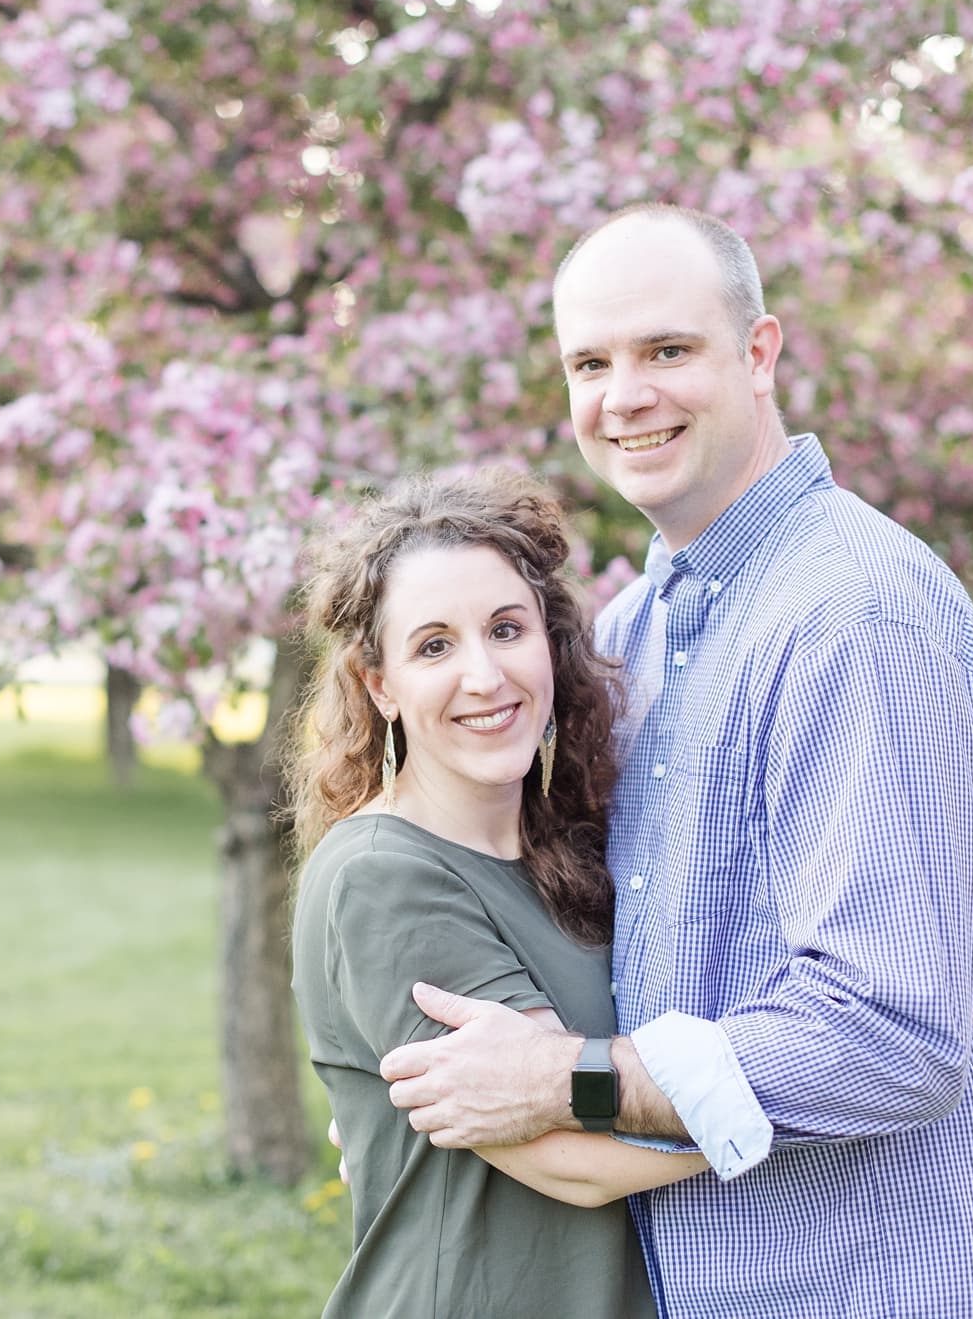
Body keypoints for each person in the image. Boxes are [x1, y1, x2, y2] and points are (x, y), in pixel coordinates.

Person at [376, 204, 973, 1318]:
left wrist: (560, 1077)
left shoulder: (853, 615)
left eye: (666, 351)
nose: (623, 395)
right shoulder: (632, 630)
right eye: (589, 362)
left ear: (758, 352)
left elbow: (890, 1031)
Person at [285, 472, 715, 1319]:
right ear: (381, 684)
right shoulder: (381, 876)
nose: (484, 675)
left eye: (506, 629)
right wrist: (825, 1096)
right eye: (434, 645)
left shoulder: (566, 846)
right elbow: (575, 1159)